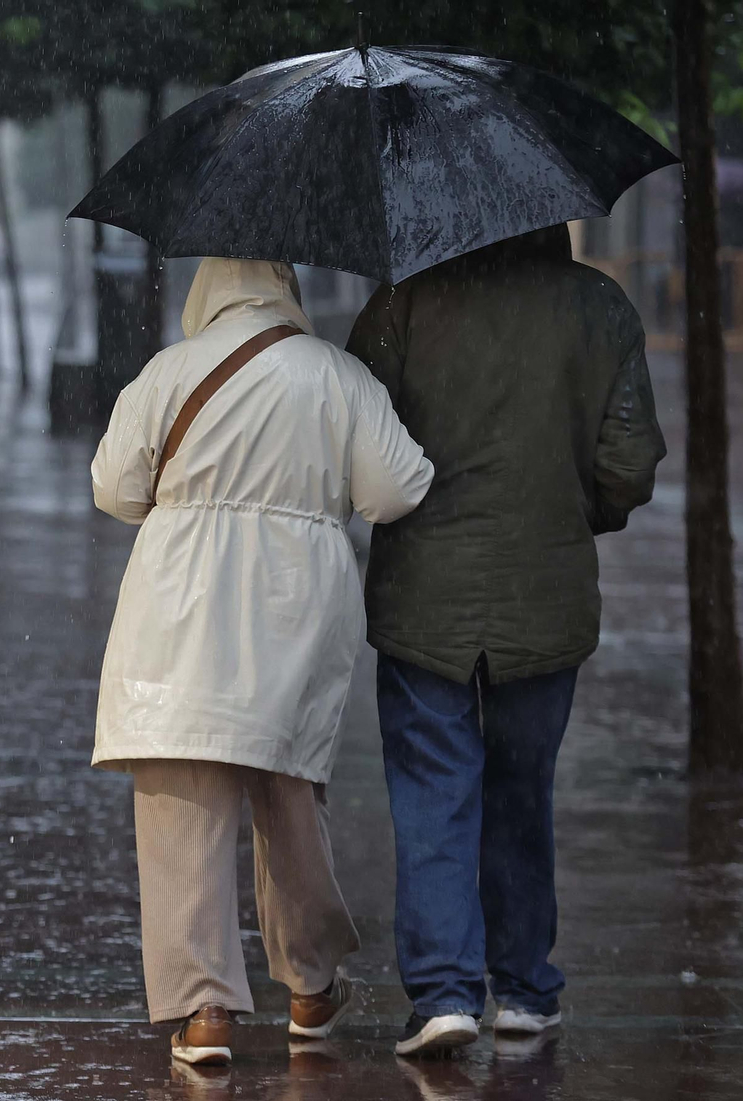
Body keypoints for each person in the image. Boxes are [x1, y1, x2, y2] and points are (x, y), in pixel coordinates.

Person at [92, 258, 434, 1066]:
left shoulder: (169, 370)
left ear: (205, 286)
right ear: (287, 283)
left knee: (182, 797)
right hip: (294, 605)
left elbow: (112, 486)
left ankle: (206, 1012)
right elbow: (398, 489)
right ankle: (311, 986)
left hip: (178, 608)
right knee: (289, 793)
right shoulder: (338, 376)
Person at [346, 224, 668, 1057]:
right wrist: (568, 512)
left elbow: (358, 439)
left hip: (424, 596)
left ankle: (444, 990)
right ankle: (523, 986)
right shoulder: (600, 308)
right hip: (545, 594)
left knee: (431, 788)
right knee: (524, 786)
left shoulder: (402, 301)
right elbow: (629, 463)